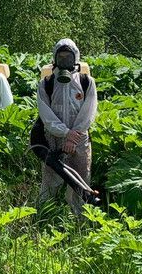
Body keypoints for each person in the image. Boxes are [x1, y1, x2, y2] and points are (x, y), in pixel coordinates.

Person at [37, 38, 97, 216]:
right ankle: (44, 216)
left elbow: (88, 113)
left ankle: (79, 221)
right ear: (54, 59)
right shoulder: (46, 84)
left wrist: (73, 135)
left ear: (76, 59)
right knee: (49, 179)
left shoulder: (87, 82)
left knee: (80, 181)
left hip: (79, 141)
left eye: (68, 58)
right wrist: (64, 133)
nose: (64, 62)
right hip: (53, 139)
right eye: (60, 57)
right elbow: (46, 116)